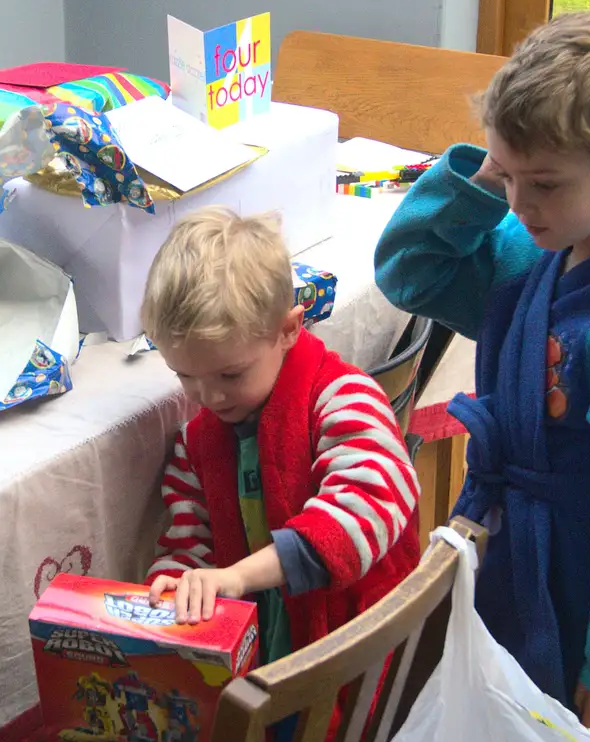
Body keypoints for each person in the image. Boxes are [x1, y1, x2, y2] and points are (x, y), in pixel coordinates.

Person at [373, 12, 590, 742]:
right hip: (498, 554)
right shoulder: (532, 251)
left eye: (546, 183)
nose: (521, 205)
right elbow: (409, 271)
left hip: (582, 591)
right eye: (509, 176)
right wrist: (479, 179)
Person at [141, 207, 420, 680]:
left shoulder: (342, 399)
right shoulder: (198, 442)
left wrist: (237, 577)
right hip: (268, 659)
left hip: (353, 657)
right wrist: (176, 583)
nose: (208, 397)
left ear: (290, 329)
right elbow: (190, 540)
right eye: (184, 376)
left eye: (231, 374)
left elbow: (364, 511)